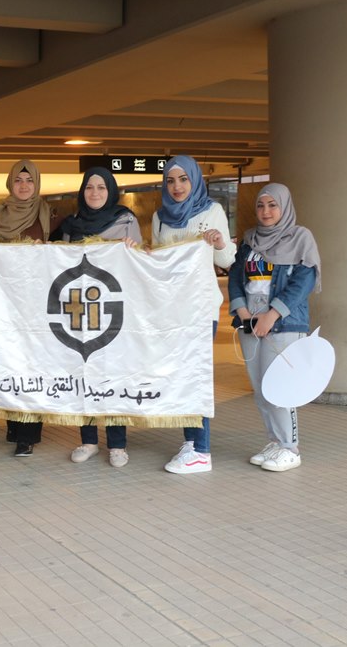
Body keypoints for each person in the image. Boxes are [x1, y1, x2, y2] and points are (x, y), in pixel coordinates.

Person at [150, 155, 235, 474]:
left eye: (183, 179)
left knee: (195, 375)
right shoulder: (159, 217)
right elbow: (158, 263)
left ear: (195, 180)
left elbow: (227, 260)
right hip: (173, 310)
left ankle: (201, 450)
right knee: (183, 376)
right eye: (170, 181)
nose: (177, 187)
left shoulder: (211, 211)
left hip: (200, 307)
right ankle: (191, 441)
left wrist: (219, 242)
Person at [228, 183, 320, 472]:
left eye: (272, 205)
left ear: (284, 207)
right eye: (261, 205)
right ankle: (275, 441)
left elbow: (303, 281)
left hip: (284, 324)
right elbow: (236, 276)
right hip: (250, 324)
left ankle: (290, 448)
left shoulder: (300, 237)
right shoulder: (249, 240)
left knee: (281, 388)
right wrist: (242, 310)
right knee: (261, 389)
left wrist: (272, 315)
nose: (266, 211)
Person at [54, 167, 141, 468]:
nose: (94, 193)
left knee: (113, 376)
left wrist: (135, 250)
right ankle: (88, 440)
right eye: (89, 187)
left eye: (101, 187)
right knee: (84, 373)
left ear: (111, 191)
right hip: (80, 313)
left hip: (114, 310)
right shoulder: (71, 225)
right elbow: (58, 264)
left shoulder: (126, 220)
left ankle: (117, 444)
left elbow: (139, 264)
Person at [0, 159, 55, 456]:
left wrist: (47, 251)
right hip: (5, 304)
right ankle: (13, 424)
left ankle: (28, 433)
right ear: (10, 183)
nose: (24, 186)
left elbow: (61, 254)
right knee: (9, 361)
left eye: (29, 180)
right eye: (18, 180)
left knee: (32, 365)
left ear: (37, 184)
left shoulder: (48, 215)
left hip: (37, 305)